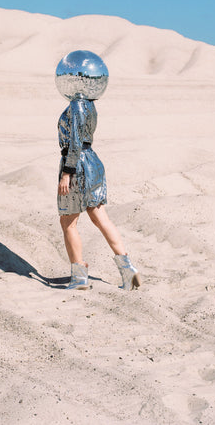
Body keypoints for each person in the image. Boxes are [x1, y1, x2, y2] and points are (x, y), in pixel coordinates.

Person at [55, 50, 141, 291]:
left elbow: (74, 140)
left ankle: (78, 276)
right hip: (92, 161)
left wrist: (67, 172)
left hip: (77, 164)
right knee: (100, 217)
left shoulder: (75, 105)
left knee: (68, 222)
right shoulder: (90, 105)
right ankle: (127, 267)